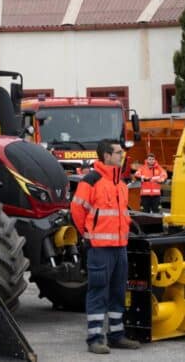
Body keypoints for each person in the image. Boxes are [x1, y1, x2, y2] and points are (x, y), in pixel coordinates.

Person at [71, 138, 140, 354]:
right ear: (107, 156)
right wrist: (88, 235)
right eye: (118, 153)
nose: (122, 156)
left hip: (120, 247)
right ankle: (94, 339)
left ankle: (117, 335)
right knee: (98, 292)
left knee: (118, 292)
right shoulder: (90, 181)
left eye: (122, 152)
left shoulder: (121, 184)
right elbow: (77, 210)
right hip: (100, 248)